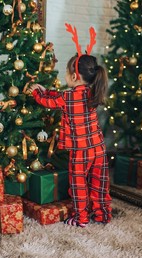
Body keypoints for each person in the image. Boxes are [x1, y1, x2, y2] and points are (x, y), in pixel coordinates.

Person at [29, 53, 112, 227]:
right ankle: (101, 214)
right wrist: (48, 90)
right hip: (98, 147)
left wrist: (36, 92)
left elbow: (48, 102)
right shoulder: (93, 92)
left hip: (81, 150)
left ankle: (81, 218)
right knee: (99, 182)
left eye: (66, 73)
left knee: (79, 184)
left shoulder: (68, 98)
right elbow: (58, 95)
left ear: (74, 76)